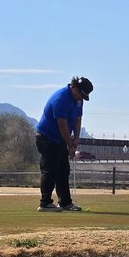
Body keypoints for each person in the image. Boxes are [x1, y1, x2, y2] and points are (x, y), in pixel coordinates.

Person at [35, 76, 94, 211]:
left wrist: (76, 139)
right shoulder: (61, 99)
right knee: (50, 171)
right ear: (74, 88)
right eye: (80, 94)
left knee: (63, 170)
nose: (81, 98)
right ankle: (45, 203)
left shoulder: (78, 100)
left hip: (59, 139)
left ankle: (65, 203)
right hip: (46, 138)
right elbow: (62, 125)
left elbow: (78, 120)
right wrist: (70, 145)